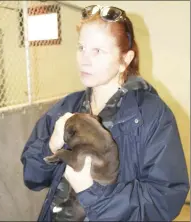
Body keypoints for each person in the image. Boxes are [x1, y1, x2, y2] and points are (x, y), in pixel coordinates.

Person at [20, 5, 189, 221]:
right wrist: (51, 145)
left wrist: (93, 192)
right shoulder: (67, 107)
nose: (84, 59)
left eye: (97, 51)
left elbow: (164, 198)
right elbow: (33, 177)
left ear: (125, 60)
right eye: (81, 48)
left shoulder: (152, 115)